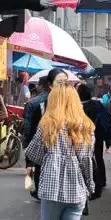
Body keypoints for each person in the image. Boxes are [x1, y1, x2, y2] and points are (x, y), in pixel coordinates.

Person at [24, 83, 95, 220]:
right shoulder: (84, 126)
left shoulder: (47, 125)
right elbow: (86, 162)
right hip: (76, 189)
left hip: (52, 189)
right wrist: (90, 185)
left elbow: (32, 154)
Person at [23, 69, 66, 199]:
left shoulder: (34, 102)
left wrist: (28, 141)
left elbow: (29, 125)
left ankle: (41, 191)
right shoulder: (66, 101)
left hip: (43, 140)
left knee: (40, 165)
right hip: (60, 142)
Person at [78, 83, 111, 199]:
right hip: (98, 135)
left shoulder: (78, 107)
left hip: (85, 137)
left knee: (89, 159)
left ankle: (95, 185)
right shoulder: (98, 104)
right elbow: (106, 119)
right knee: (98, 157)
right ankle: (102, 181)